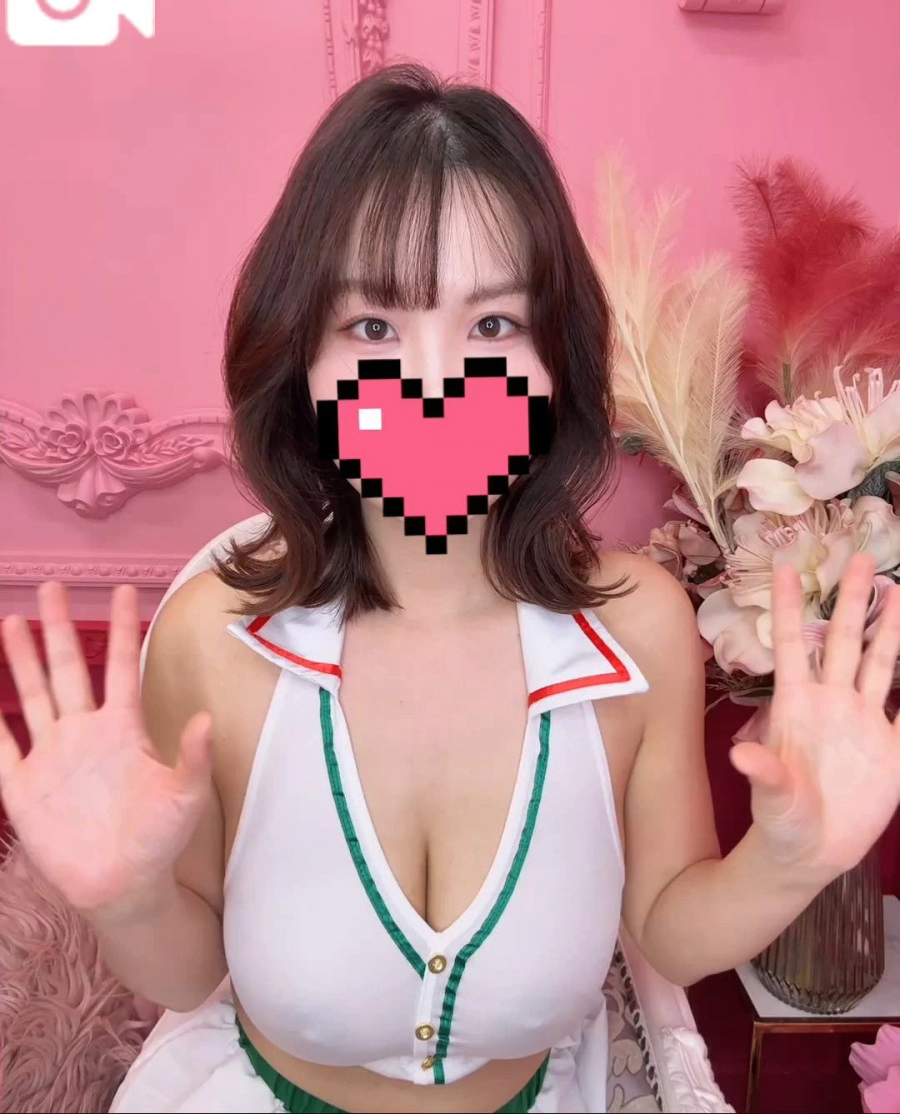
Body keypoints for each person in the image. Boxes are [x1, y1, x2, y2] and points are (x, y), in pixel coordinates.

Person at [2, 63, 899, 1114]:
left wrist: (790, 861)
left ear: (555, 360)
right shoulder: (217, 638)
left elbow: (669, 930)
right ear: (303, 364)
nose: (434, 381)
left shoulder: (640, 627)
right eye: (374, 329)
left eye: (493, 326)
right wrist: (125, 898)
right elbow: (187, 972)